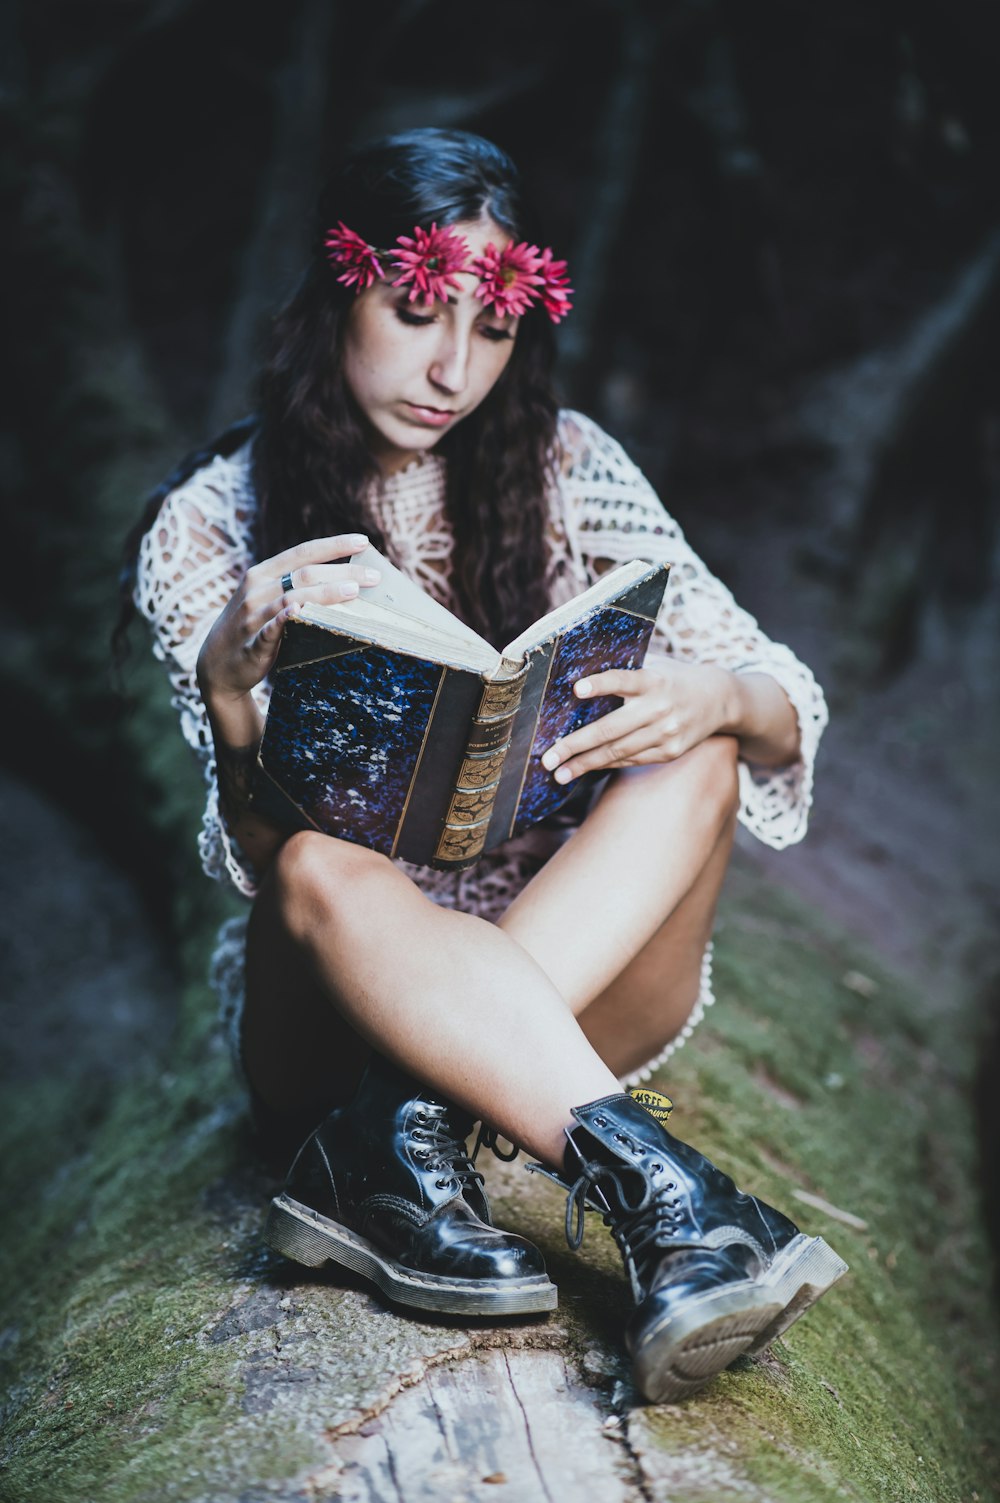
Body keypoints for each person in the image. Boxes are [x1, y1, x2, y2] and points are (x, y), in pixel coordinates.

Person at [119, 127, 846, 1404]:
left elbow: (786, 705)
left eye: (490, 329)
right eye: (413, 313)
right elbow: (255, 861)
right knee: (316, 860)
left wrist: (711, 691)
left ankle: (388, 1147)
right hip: (328, 1013)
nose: (451, 368)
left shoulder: (566, 468)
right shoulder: (208, 525)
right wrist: (236, 698)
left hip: (575, 980)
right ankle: (682, 1213)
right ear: (338, 292)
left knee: (704, 759)